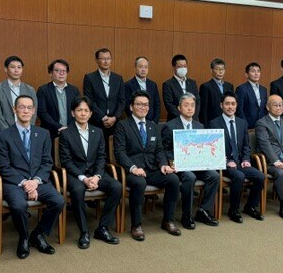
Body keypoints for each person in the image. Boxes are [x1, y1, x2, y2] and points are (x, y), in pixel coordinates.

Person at [0, 95, 65, 258]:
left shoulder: (43, 133)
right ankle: (24, 237)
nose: (25, 111)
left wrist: (35, 181)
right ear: (14, 109)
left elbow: (47, 162)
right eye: (22, 107)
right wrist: (25, 183)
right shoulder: (4, 135)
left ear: (34, 111)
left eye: (29, 108)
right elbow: (3, 166)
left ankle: (38, 234)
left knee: (58, 201)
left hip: (38, 181)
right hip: (15, 183)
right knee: (19, 206)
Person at [114, 90, 180, 241]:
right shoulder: (122, 126)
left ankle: (168, 221)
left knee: (173, 180)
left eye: (146, 105)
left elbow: (159, 149)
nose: (143, 107)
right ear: (131, 107)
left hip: (152, 169)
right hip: (132, 171)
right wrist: (133, 168)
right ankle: (136, 225)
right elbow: (119, 153)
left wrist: (164, 164)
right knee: (139, 183)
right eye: (139, 104)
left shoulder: (153, 126)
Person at [59, 96, 121, 249]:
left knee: (116, 187)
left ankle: (103, 228)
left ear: (91, 113)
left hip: (95, 173)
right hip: (76, 175)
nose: (83, 113)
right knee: (78, 190)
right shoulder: (66, 134)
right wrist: (84, 178)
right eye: (79, 110)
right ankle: (84, 232)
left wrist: (97, 176)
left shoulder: (98, 132)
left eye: (86, 110)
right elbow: (66, 161)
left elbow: (101, 157)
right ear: (73, 113)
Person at [162, 93, 220, 229]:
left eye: (192, 105)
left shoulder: (200, 126)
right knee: (190, 177)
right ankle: (187, 215)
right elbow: (165, 149)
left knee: (214, 175)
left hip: (197, 164)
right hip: (180, 166)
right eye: (186, 105)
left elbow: (204, 147)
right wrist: (174, 162)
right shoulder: (170, 126)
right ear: (179, 108)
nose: (190, 108)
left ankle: (203, 211)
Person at [209, 91, 266, 223]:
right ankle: (233, 210)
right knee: (239, 176)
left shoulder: (242, 123)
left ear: (236, 105)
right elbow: (213, 147)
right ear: (221, 105)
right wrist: (227, 161)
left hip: (240, 162)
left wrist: (246, 159)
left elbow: (246, 145)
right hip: (223, 163)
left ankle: (250, 206)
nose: (230, 107)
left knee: (260, 176)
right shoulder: (214, 123)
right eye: (227, 104)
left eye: (233, 104)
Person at [83, 48, 125, 151]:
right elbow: (89, 100)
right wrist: (103, 117)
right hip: (97, 122)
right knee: (99, 151)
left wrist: (114, 117)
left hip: (115, 123)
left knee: (116, 151)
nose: (106, 61)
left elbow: (122, 101)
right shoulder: (89, 78)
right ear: (97, 60)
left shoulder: (118, 78)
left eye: (108, 58)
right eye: (103, 58)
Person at [0, 55, 38, 134]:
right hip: (5, 133)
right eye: (13, 67)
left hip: (26, 133)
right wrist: (9, 134)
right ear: (6, 69)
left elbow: (33, 114)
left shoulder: (30, 90)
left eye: (19, 67)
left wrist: (26, 130)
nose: (16, 70)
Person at [36, 59, 80, 141]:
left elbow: (78, 110)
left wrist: (69, 128)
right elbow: (42, 112)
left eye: (64, 71)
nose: (61, 73)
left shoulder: (74, 90)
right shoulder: (43, 90)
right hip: (50, 133)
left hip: (71, 132)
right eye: (57, 70)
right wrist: (59, 127)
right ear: (50, 73)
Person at [162, 54, 200, 121]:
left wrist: (192, 116)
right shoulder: (168, 84)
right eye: (180, 66)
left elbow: (197, 101)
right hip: (175, 120)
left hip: (192, 119)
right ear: (174, 67)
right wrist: (183, 117)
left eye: (184, 66)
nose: (183, 68)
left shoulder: (192, 83)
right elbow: (169, 104)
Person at [124, 56, 161, 123]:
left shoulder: (153, 84)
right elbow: (127, 106)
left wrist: (154, 121)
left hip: (152, 122)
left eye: (146, 67)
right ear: (135, 68)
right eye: (141, 67)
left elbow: (157, 104)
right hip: (135, 122)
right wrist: (137, 120)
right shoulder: (128, 85)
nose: (143, 69)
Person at [199, 58, 234, 127]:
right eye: (217, 69)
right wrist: (205, 126)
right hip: (212, 123)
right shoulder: (206, 86)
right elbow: (203, 110)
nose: (220, 72)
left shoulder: (229, 86)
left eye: (222, 69)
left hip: (227, 122)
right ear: (211, 70)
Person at [235, 62, 267, 130]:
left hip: (262, 126)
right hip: (247, 126)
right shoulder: (241, 89)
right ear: (247, 74)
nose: (256, 73)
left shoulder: (263, 89)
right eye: (253, 71)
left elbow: (265, 109)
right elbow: (239, 110)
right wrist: (245, 125)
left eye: (258, 71)